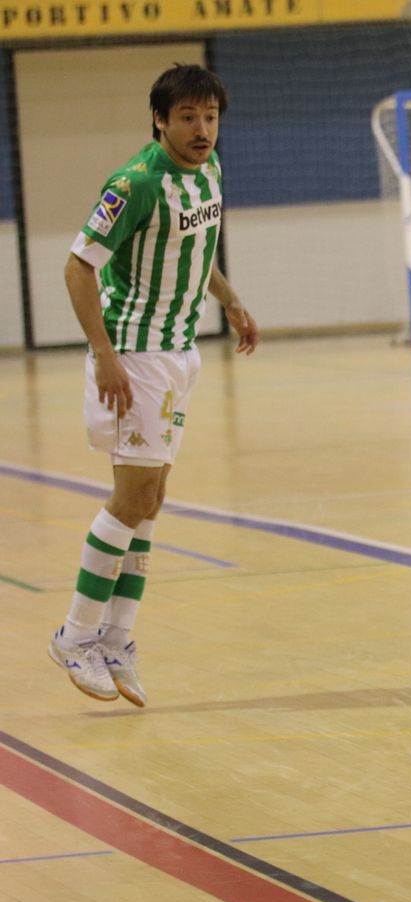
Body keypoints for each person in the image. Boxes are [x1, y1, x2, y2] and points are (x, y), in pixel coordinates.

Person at [47, 63, 259, 706]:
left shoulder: (210, 169)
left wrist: (229, 299)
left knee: (152, 499)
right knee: (131, 497)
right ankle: (75, 636)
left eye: (210, 117)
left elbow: (195, 249)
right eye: (188, 117)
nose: (202, 129)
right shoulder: (135, 184)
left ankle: (117, 639)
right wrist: (103, 353)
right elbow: (78, 267)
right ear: (160, 120)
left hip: (179, 353)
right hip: (134, 354)